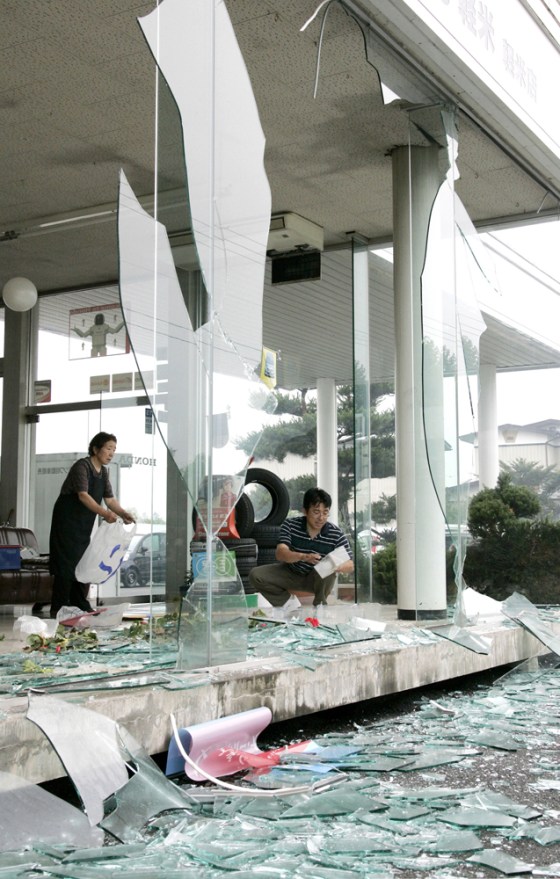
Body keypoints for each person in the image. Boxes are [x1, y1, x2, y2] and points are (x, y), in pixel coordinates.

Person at [48, 432, 135, 618]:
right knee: (66, 562)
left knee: (83, 560)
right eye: (108, 448)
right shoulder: (82, 466)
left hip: (83, 523)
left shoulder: (103, 472)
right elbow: (83, 495)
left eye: (114, 450)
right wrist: (105, 513)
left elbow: (109, 499)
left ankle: (80, 602)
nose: (111, 453)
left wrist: (123, 513)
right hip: (67, 520)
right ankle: (59, 606)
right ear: (96, 449)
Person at [248, 487, 354, 608]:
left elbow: (350, 564)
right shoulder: (290, 525)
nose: (321, 518)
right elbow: (281, 553)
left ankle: (320, 606)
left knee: (329, 567)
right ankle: (289, 604)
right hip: (291, 573)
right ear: (305, 511)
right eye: (316, 512)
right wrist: (302, 556)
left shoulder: (335, 533)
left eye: (325, 512)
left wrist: (337, 566)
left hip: (317, 579)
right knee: (255, 575)